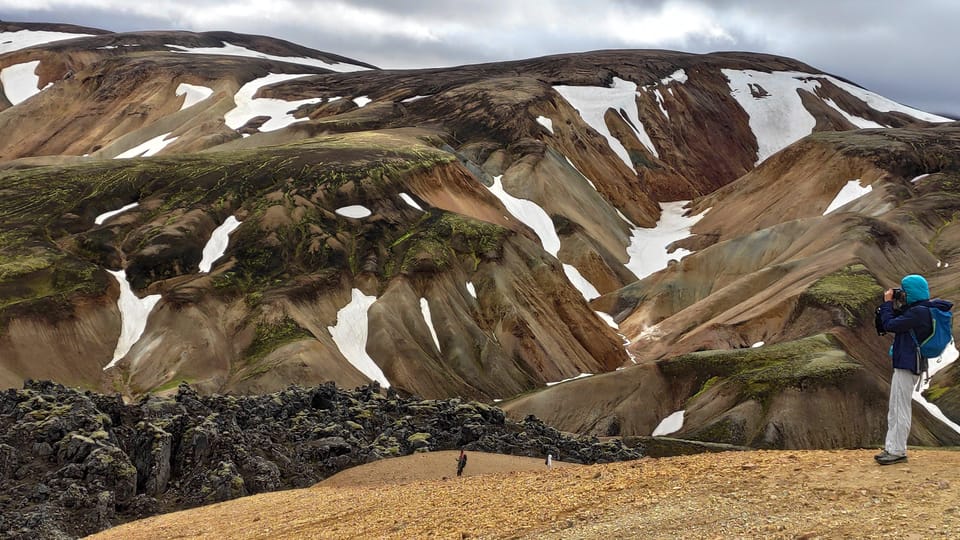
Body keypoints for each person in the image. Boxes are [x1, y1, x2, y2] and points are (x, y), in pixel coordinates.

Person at [875, 274, 953, 465]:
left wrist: (887, 303)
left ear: (911, 292)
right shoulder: (919, 310)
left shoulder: (918, 312)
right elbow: (891, 323)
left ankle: (897, 451)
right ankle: (892, 447)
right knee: (895, 406)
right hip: (907, 362)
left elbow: (890, 324)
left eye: (904, 291)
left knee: (900, 408)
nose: (902, 294)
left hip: (908, 363)